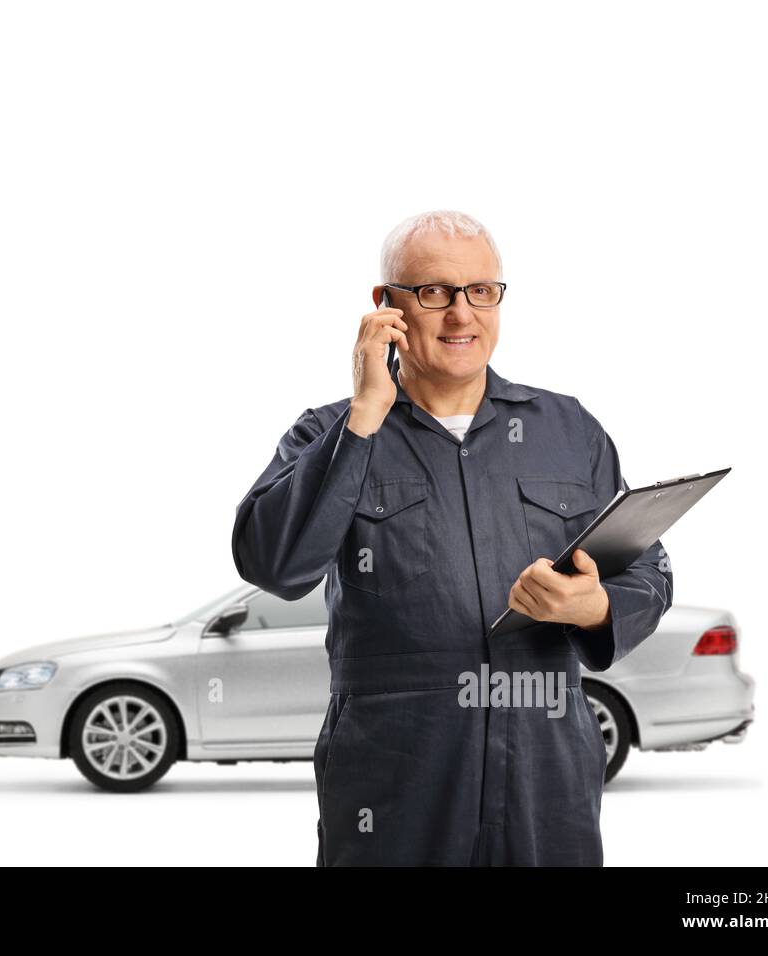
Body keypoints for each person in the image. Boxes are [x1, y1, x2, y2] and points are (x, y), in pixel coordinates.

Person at [231, 209, 673, 865]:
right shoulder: (329, 431)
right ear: (387, 307)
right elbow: (276, 564)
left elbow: (647, 571)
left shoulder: (567, 428)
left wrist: (597, 608)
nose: (462, 315)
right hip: (397, 781)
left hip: (547, 775)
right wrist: (362, 417)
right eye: (435, 292)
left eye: (481, 292)